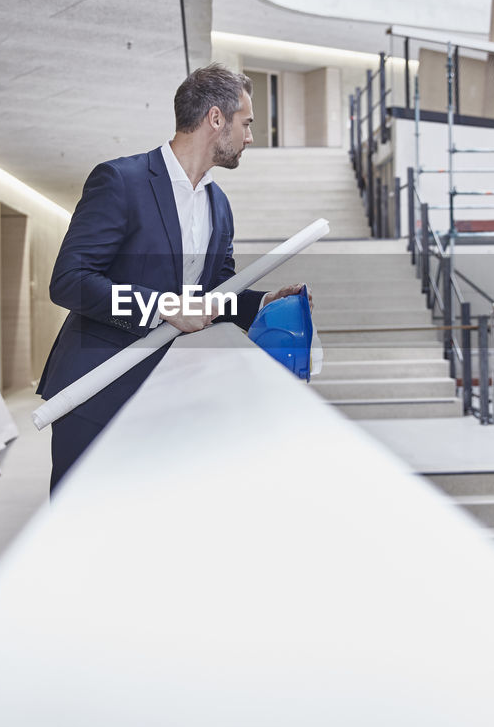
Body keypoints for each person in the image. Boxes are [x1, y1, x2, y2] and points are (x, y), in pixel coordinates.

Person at [37, 64, 306, 493]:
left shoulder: (219, 205)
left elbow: (216, 293)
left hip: (167, 397)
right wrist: (160, 306)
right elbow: (69, 280)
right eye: (246, 123)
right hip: (96, 393)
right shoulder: (121, 181)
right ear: (216, 119)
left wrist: (263, 301)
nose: (250, 137)